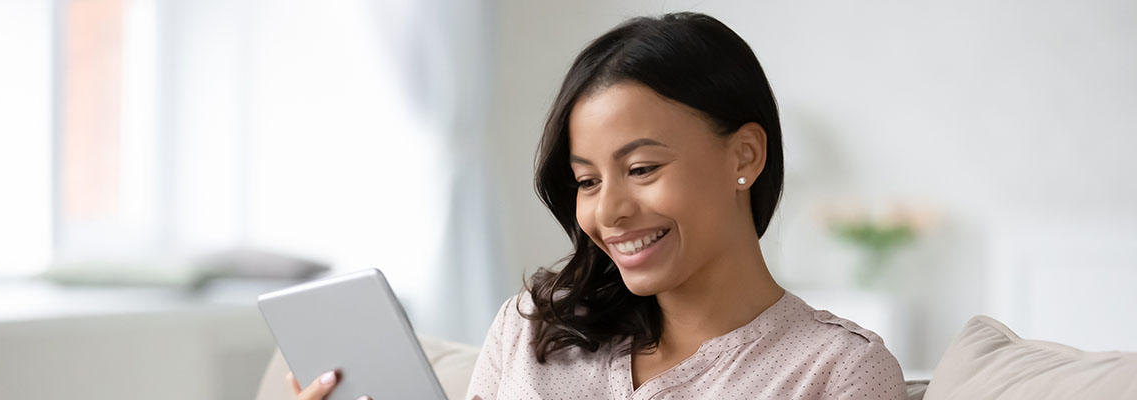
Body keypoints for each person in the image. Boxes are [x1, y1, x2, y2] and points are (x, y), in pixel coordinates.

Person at [289, 11, 908, 400]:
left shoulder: (837, 372)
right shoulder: (534, 327)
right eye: (586, 181)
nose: (608, 212)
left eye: (641, 169)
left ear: (744, 156)